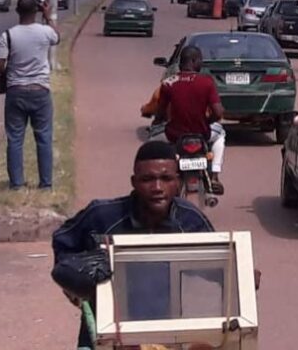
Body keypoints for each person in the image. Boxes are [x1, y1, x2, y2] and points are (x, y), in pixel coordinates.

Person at [51, 141, 215, 349]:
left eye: (165, 179)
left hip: (168, 330)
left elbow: (214, 262)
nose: (157, 187)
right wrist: (74, 281)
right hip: (106, 332)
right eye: (148, 179)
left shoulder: (190, 220)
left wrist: (241, 275)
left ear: (178, 183)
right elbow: (63, 243)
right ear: (134, 182)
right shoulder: (101, 216)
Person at [0, 0, 60, 189]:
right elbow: (58, 37)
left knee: (15, 139)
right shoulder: (45, 32)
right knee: (44, 138)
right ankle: (45, 185)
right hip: (40, 91)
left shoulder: (8, 35)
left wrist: (10, 71)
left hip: (16, 91)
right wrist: (48, 16)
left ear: (17, 12)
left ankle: (16, 184)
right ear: (36, 11)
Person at [156, 45, 226, 195]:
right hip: (201, 134)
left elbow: (160, 111)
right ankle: (214, 176)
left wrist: (157, 121)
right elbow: (218, 112)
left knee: (152, 143)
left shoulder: (169, 83)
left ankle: (159, 177)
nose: (201, 64)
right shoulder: (206, 82)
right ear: (193, 61)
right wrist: (208, 121)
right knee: (220, 135)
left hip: (174, 135)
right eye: (200, 60)